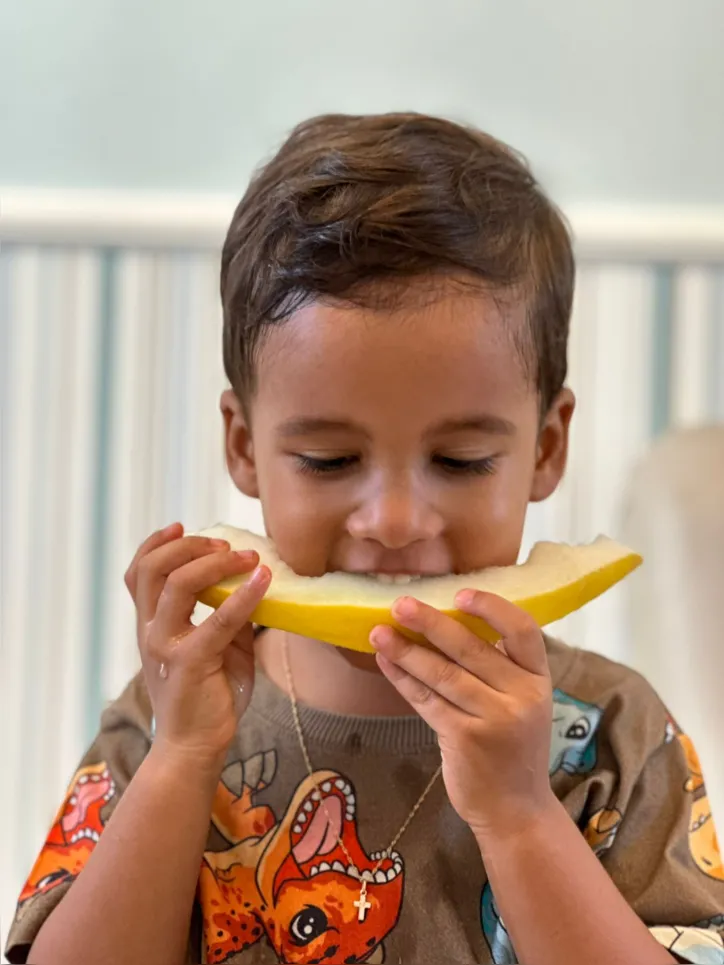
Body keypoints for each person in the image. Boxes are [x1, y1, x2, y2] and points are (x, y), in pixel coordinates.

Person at [6, 113, 724, 965]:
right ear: (244, 446)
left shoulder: (610, 734)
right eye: (329, 458)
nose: (391, 521)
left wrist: (522, 813)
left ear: (546, 447)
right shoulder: (169, 715)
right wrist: (179, 762)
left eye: (458, 460)